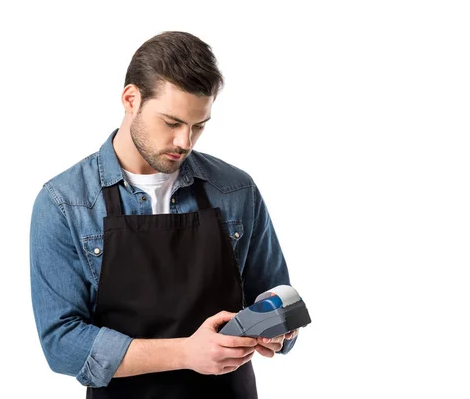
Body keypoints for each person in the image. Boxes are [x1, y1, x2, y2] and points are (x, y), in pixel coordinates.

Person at [29, 31, 299, 399]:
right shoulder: (65, 203)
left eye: (198, 126)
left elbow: (272, 292)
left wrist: (278, 329)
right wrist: (187, 353)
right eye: (172, 123)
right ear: (131, 99)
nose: (185, 142)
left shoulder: (235, 190)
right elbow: (61, 344)